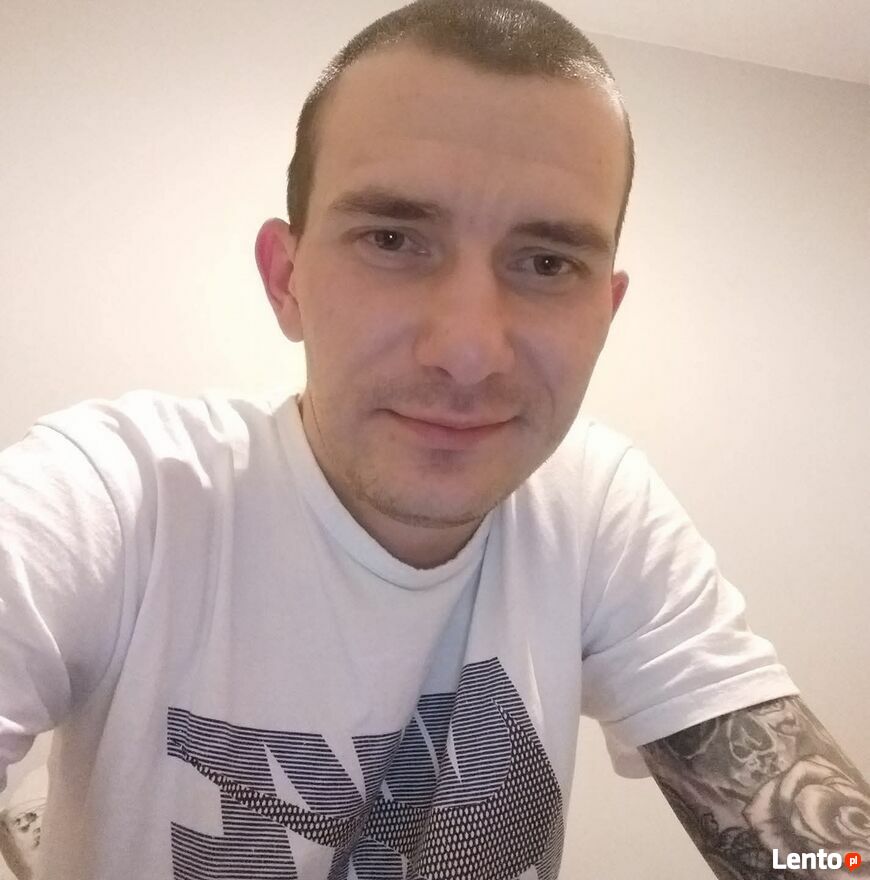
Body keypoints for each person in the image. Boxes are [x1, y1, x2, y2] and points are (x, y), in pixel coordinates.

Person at [0, 0, 867, 877]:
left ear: (605, 314)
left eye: (547, 263)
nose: (467, 350)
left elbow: (825, 859)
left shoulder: (597, 511)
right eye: (392, 239)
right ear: (287, 279)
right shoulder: (112, 498)